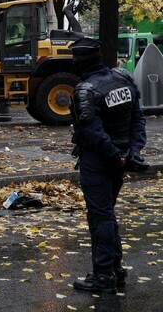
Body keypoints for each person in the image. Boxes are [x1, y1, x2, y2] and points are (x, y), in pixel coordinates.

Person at [69, 37, 147, 294]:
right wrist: (132, 152)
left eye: (75, 60)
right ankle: (115, 270)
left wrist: (117, 156)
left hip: (99, 161)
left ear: (82, 61)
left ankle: (103, 276)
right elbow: (138, 117)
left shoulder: (85, 89)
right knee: (106, 213)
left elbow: (92, 132)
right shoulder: (123, 79)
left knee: (100, 215)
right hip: (119, 159)